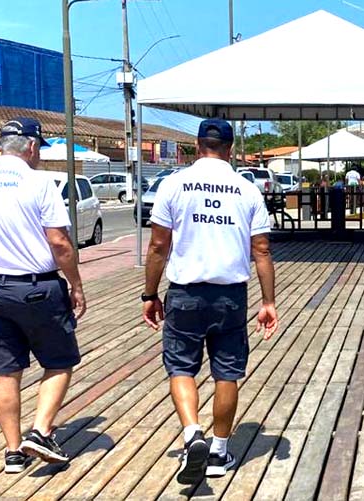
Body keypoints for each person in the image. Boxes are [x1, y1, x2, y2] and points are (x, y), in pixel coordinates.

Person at [141, 118, 279, 486]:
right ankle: (218, 451)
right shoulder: (247, 189)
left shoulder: (174, 184)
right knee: (227, 373)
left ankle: (192, 435)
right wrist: (269, 301)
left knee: (181, 367)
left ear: (198, 145)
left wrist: (150, 293)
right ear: (230, 149)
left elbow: (158, 245)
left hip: (185, 293)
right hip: (230, 296)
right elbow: (262, 250)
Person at [0, 117, 87, 474]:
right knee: (60, 360)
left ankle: (13, 451)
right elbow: (59, 242)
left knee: (4, 371)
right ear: (32, 146)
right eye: (39, 149)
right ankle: (41, 432)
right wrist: (76, 285)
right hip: (36, 288)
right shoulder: (39, 182)